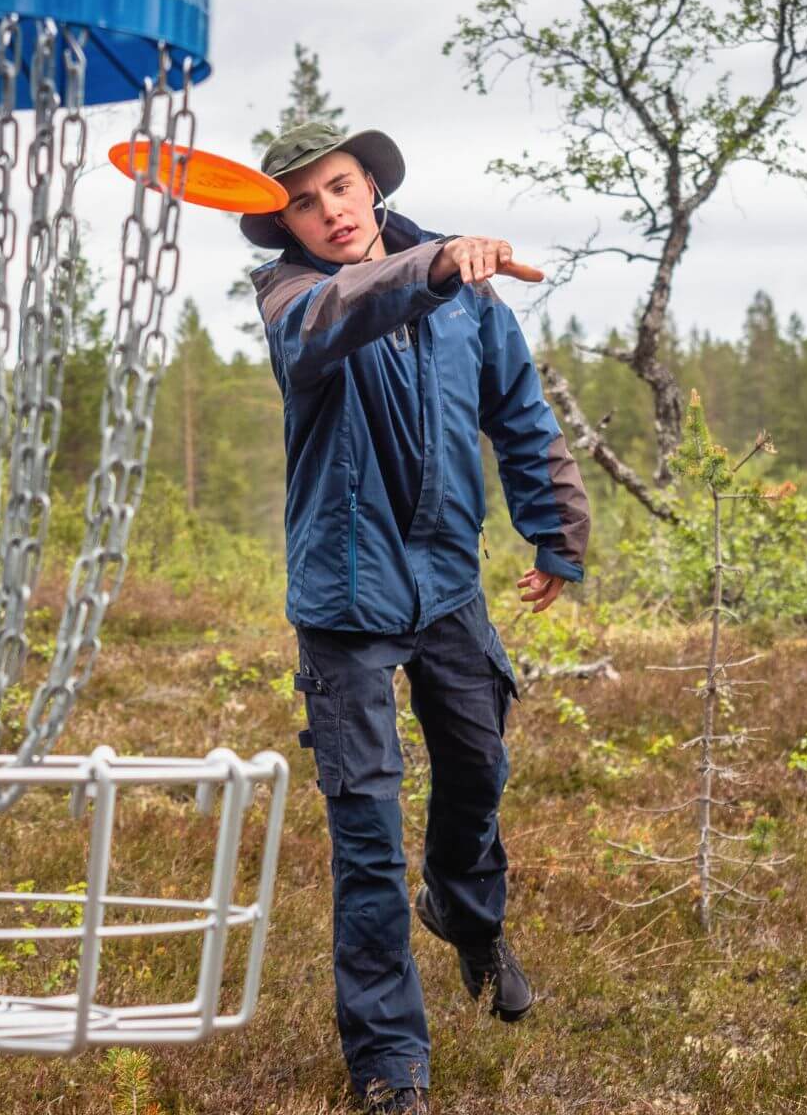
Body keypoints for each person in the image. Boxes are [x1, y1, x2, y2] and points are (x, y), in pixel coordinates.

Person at [245, 121, 591, 1113]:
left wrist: (556, 529)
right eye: (305, 203)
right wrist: (434, 262)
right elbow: (339, 317)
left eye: (341, 187)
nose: (331, 212)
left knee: (480, 765)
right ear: (287, 225)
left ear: (372, 185)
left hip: (445, 582)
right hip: (345, 600)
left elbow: (518, 411)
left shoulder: (468, 295)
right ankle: (391, 1061)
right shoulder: (291, 296)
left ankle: (467, 912)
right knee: (366, 834)